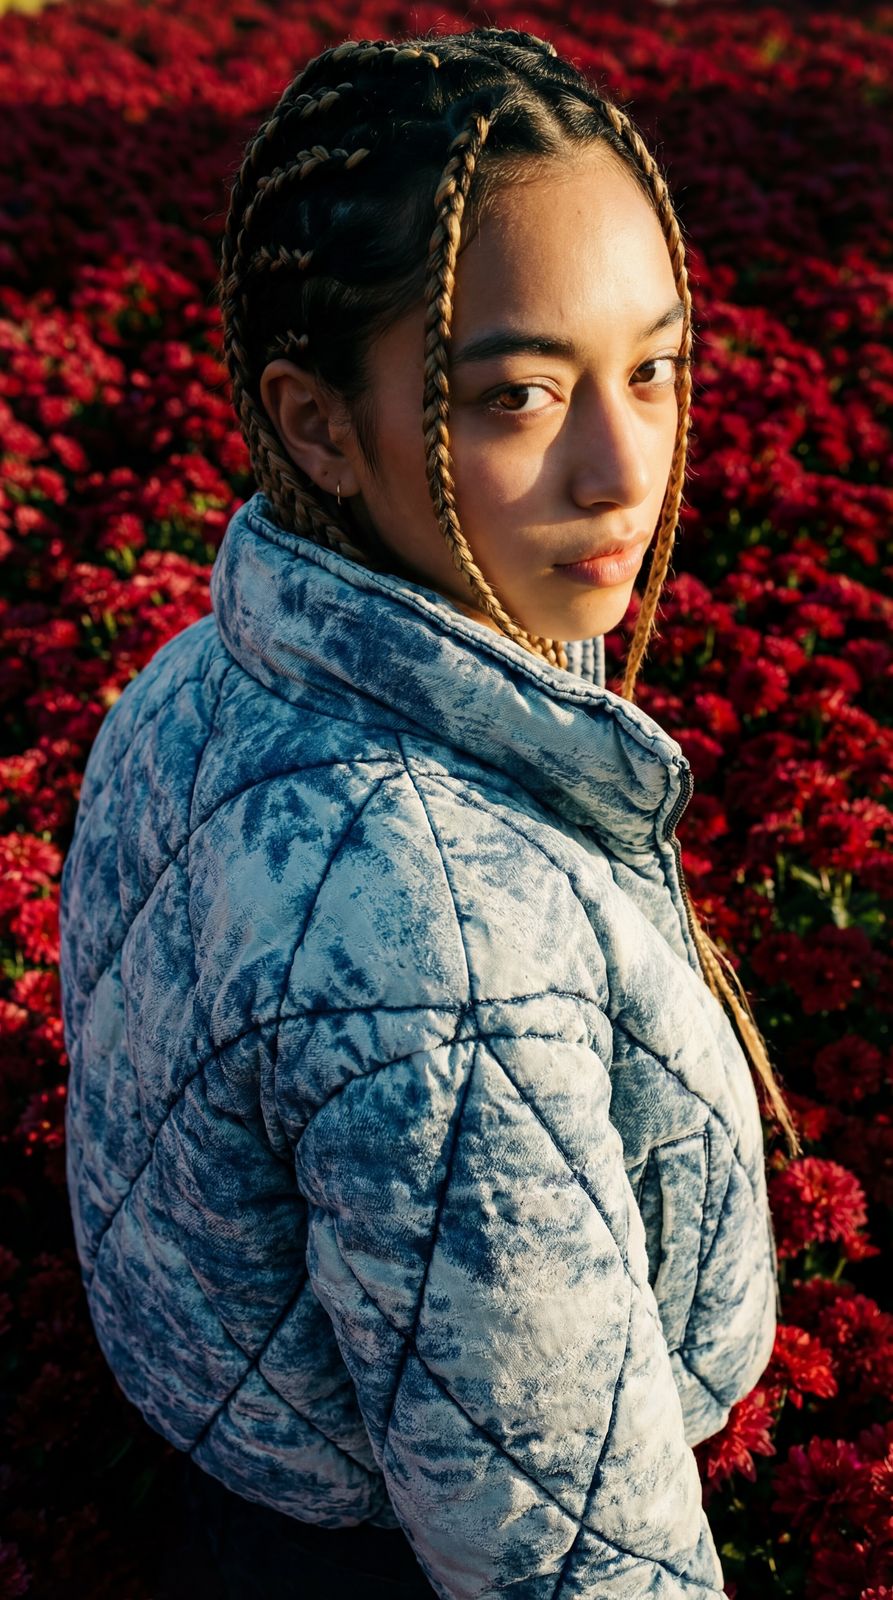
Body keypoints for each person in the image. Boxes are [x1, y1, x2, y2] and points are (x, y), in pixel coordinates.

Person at [58, 25, 802, 1599]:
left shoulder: (198, 678)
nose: (625, 468)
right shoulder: (447, 927)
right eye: (519, 395)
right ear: (321, 423)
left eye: (652, 368)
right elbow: (563, 1556)